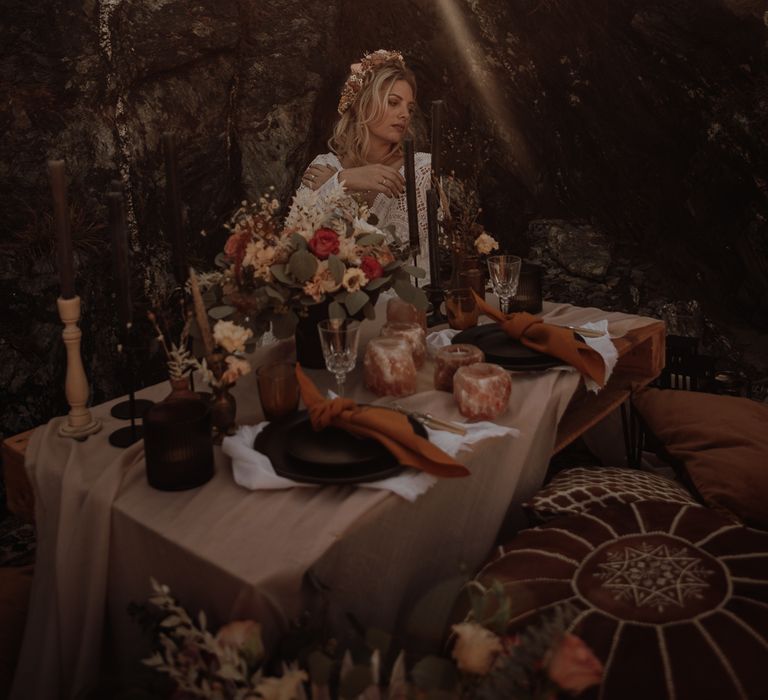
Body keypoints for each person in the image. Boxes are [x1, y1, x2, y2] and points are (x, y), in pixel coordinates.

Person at [293, 49, 432, 276]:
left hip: (406, 305)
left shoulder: (421, 169)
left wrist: (337, 184)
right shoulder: (325, 166)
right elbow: (296, 243)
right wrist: (344, 179)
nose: (405, 114)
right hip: (339, 303)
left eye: (410, 108)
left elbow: (394, 257)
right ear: (361, 104)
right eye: (394, 102)